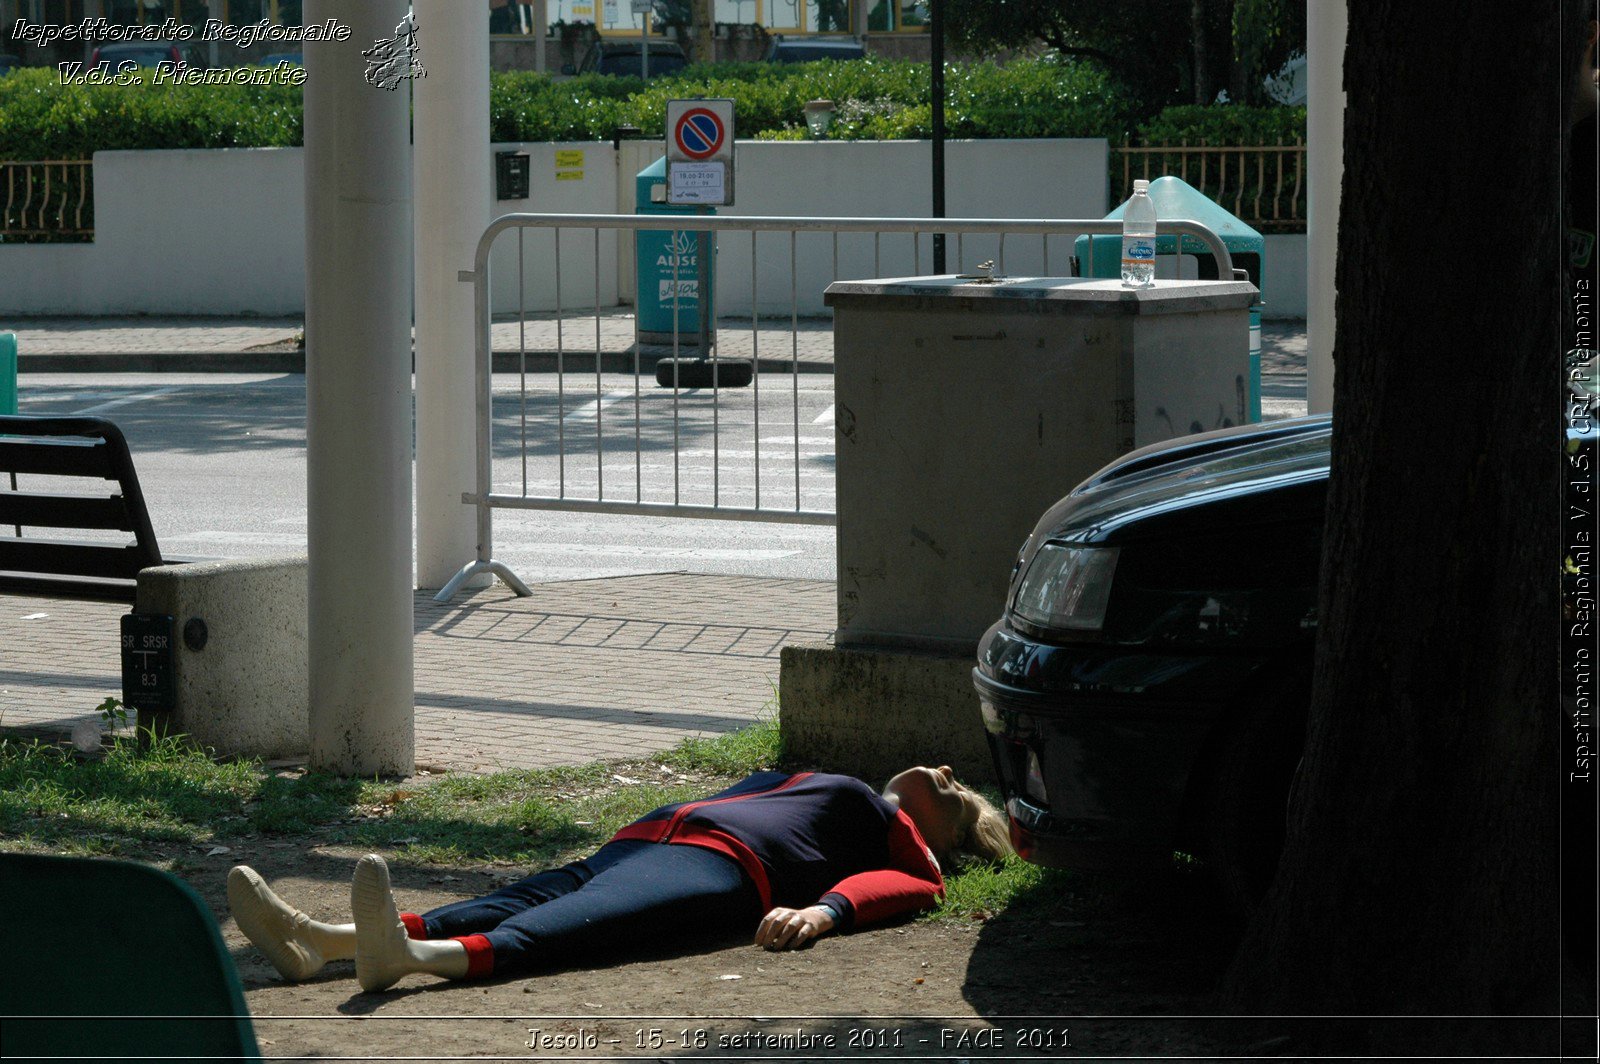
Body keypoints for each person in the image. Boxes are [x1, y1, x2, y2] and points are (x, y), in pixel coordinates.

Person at [228, 766, 1012, 992]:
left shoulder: (898, 836)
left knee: (582, 921)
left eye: (955, 791)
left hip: (719, 868)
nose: (944, 772)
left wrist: (825, 912)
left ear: (950, 833)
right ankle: (321, 944)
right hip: (649, 837)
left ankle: (414, 961)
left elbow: (915, 889)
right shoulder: (844, 785)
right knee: (519, 895)